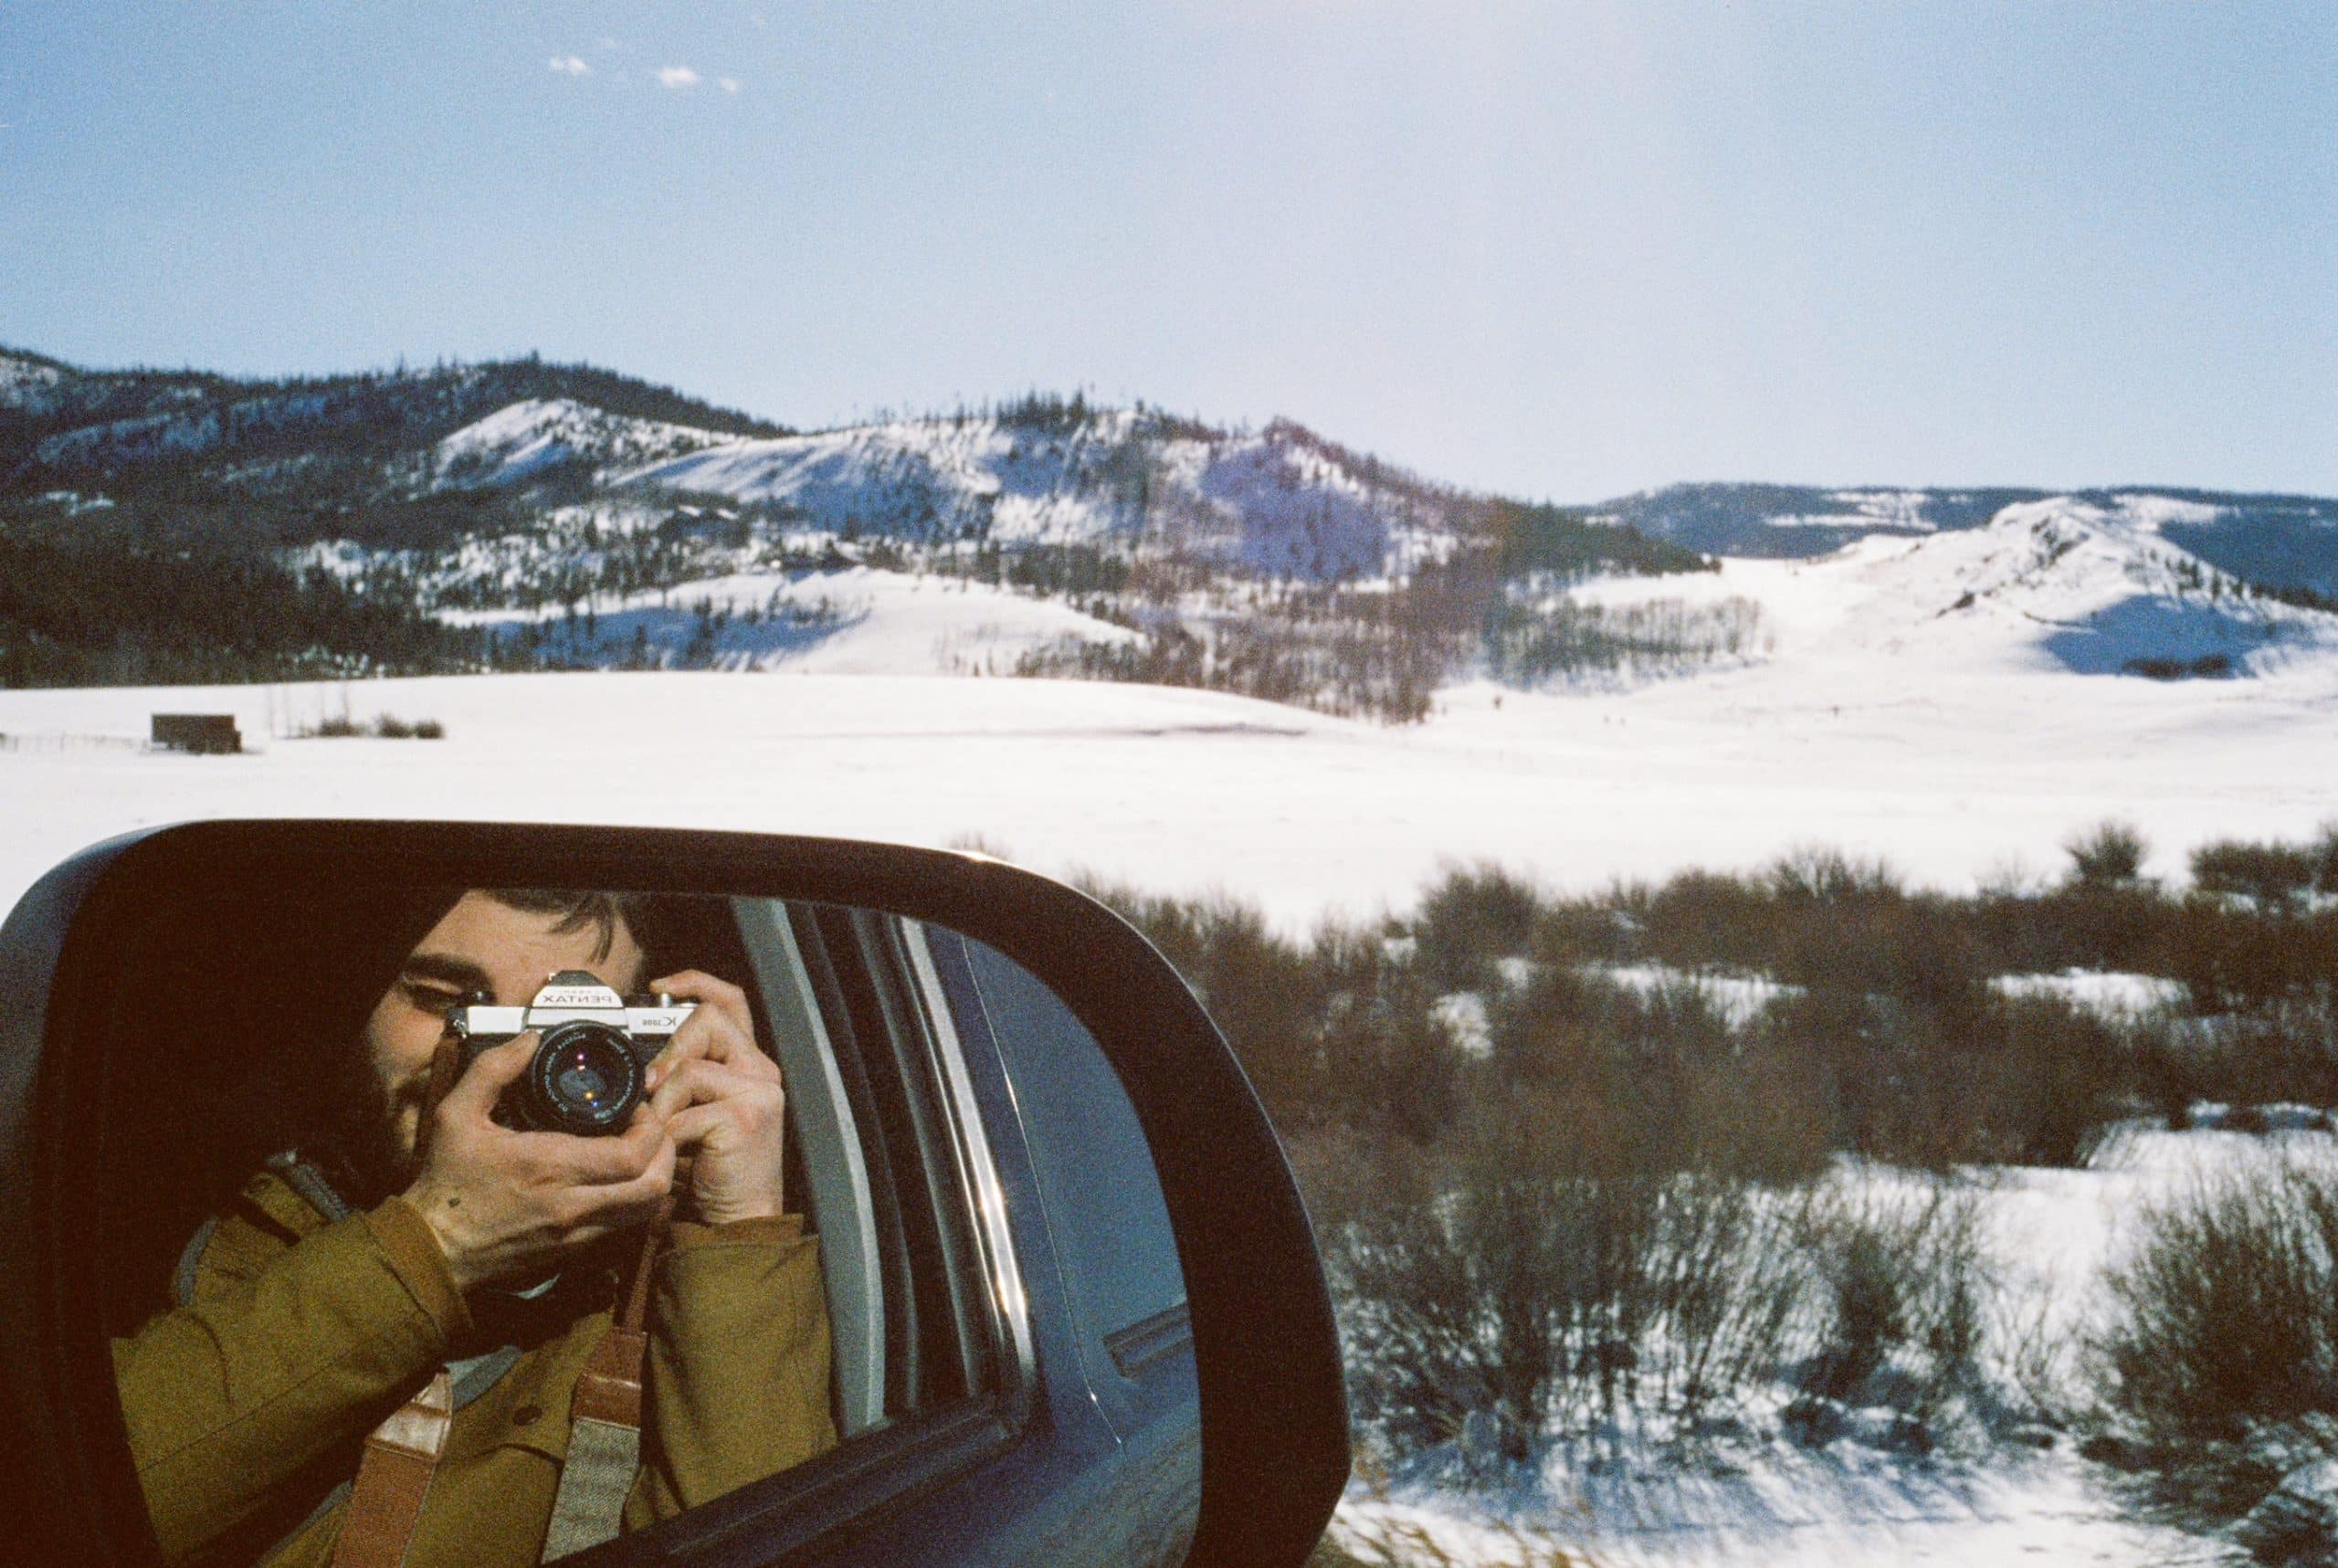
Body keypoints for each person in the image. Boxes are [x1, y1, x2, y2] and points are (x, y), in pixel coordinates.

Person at [110, 888, 839, 1567]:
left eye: (566, 1029)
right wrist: (436, 1245)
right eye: (447, 1001)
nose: (511, 1057)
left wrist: (737, 1225)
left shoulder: (664, 1309)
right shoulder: (195, 1237)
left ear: (650, 1040)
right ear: (353, 1003)